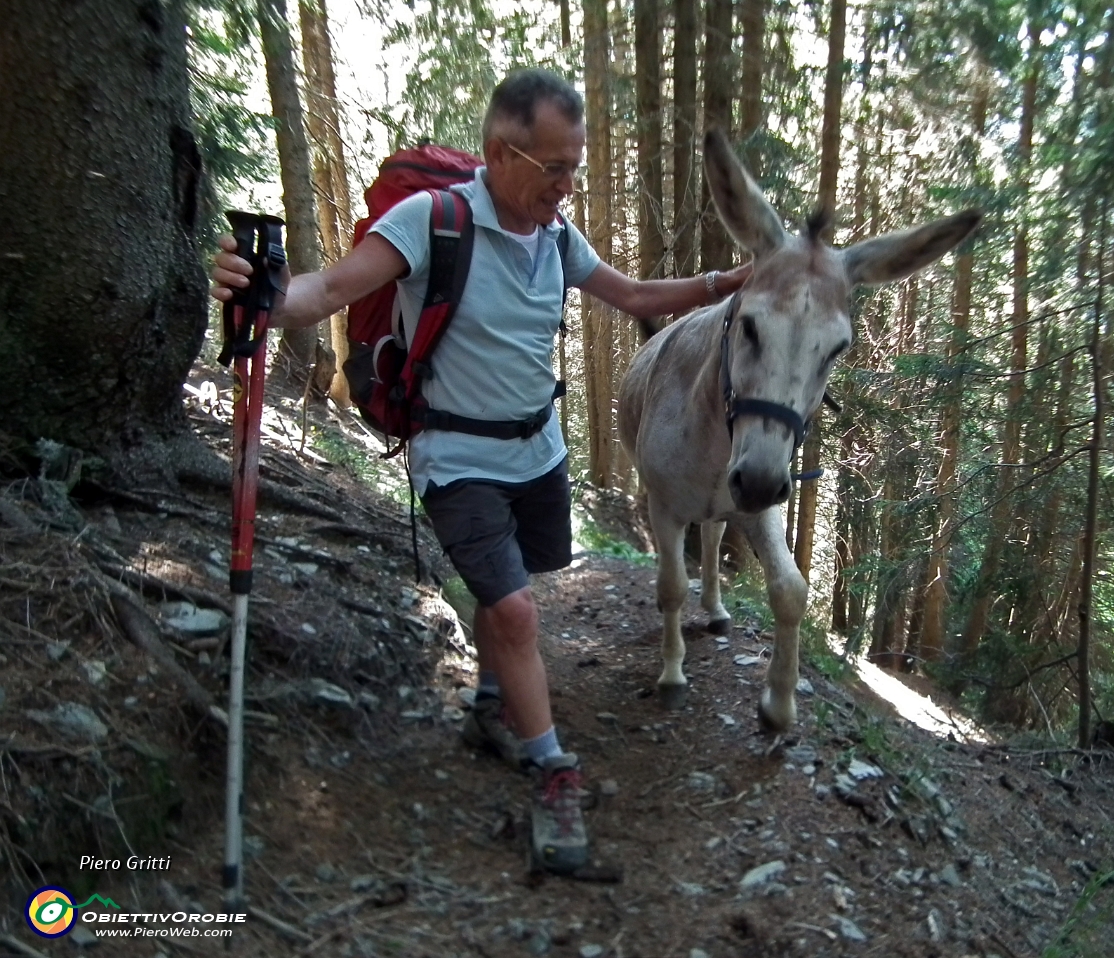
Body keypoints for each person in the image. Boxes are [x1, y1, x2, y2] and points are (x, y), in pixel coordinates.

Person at [211, 68, 750, 875]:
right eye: (554, 168)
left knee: (519, 587)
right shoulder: (435, 219)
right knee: (519, 614)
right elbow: (327, 289)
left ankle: (493, 707)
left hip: (539, 451)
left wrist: (727, 283)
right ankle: (552, 773)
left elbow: (633, 295)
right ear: (502, 153)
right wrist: (262, 291)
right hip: (456, 456)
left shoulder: (555, 236)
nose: (567, 187)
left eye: (577, 168)